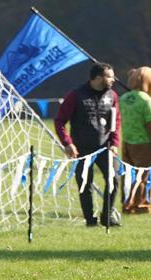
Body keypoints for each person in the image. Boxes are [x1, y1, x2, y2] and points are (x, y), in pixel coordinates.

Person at [54, 62, 121, 227]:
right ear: (98, 78)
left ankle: (106, 217)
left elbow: (116, 120)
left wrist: (114, 143)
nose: (114, 80)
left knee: (114, 180)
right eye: (110, 76)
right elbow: (60, 121)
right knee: (85, 184)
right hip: (82, 149)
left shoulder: (112, 95)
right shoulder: (76, 95)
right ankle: (90, 221)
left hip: (105, 147)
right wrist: (68, 143)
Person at [119, 66, 151, 214]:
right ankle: (141, 205)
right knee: (143, 176)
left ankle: (126, 203)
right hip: (143, 143)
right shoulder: (146, 100)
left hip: (126, 142)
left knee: (127, 175)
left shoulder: (123, 98)